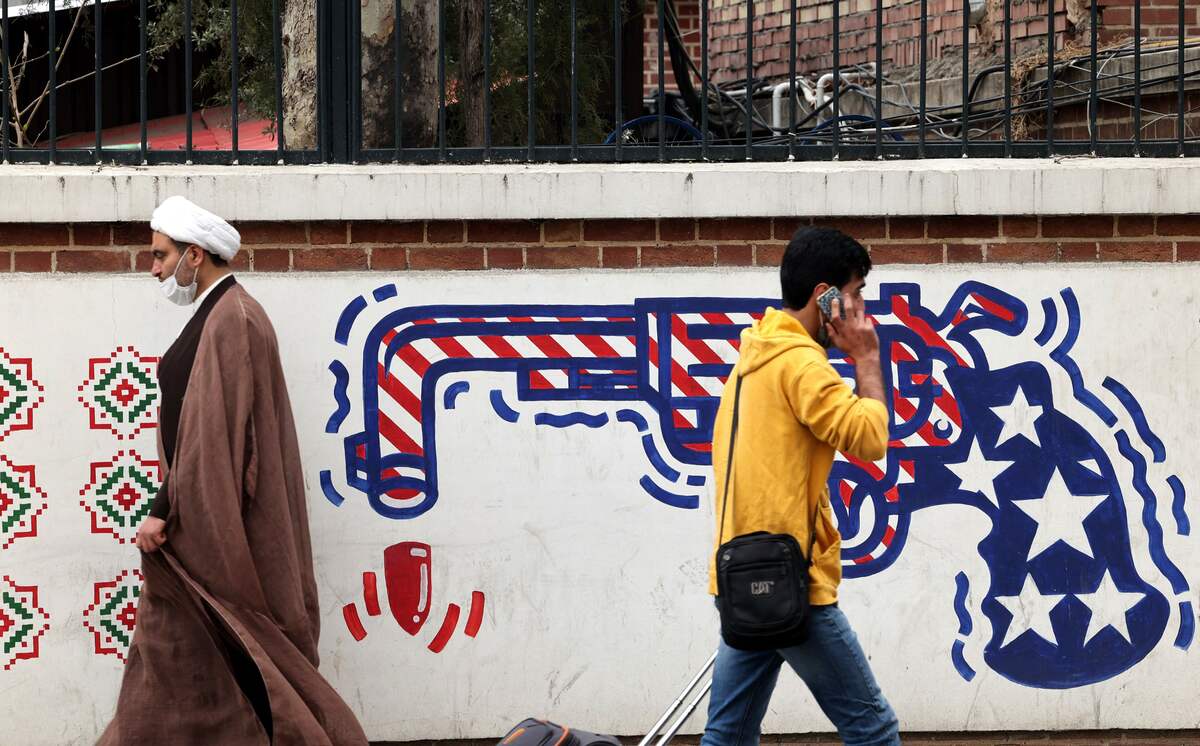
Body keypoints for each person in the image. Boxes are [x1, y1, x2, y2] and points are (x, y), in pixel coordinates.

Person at [98, 196, 368, 746]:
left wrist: (162, 513)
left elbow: (215, 447)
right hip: (196, 523)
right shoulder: (218, 314)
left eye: (159, 255)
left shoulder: (233, 321)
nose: (153, 269)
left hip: (213, 533)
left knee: (240, 654)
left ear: (194, 256)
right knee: (191, 663)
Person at [701, 227, 900, 746]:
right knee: (874, 730)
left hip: (744, 578)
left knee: (728, 736)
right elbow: (869, 437)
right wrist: (867, 358)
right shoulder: (799, 363)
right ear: (825, 297)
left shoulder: (753, 355)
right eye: (854, 294)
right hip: (791, 585)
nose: (860, 310)